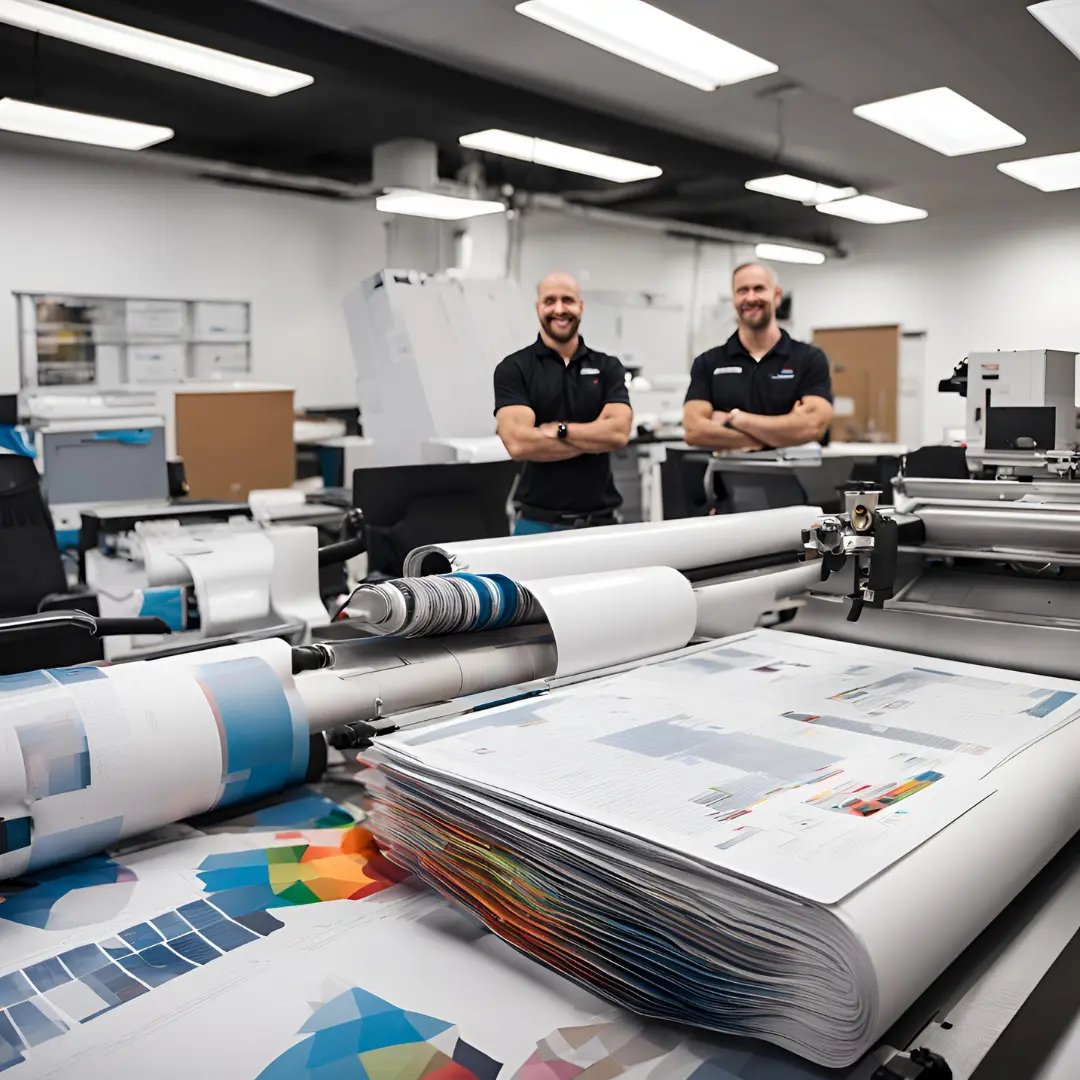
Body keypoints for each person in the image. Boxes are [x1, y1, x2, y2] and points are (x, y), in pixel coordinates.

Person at [493, 272, 633, 535]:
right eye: (550, 301)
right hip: (536, 522)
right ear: (538, 308)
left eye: (567, 300)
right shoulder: (514, 368)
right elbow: (519, 443)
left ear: (580, 307)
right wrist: (593, 438)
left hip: (601, 523)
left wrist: (559, 430)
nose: (559, 309)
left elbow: (617, 433)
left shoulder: (607, 367)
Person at [683, 262, 833, 450]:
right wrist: (780, 436)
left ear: (777, 296)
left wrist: (736, 419)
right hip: (728, 477)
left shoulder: (809, 358)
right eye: (742, 290)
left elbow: (812, 427)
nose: (751, 297)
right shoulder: (708, 363)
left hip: (793, 477)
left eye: (759, 289)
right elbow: (694, 431)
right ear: (733, 299)